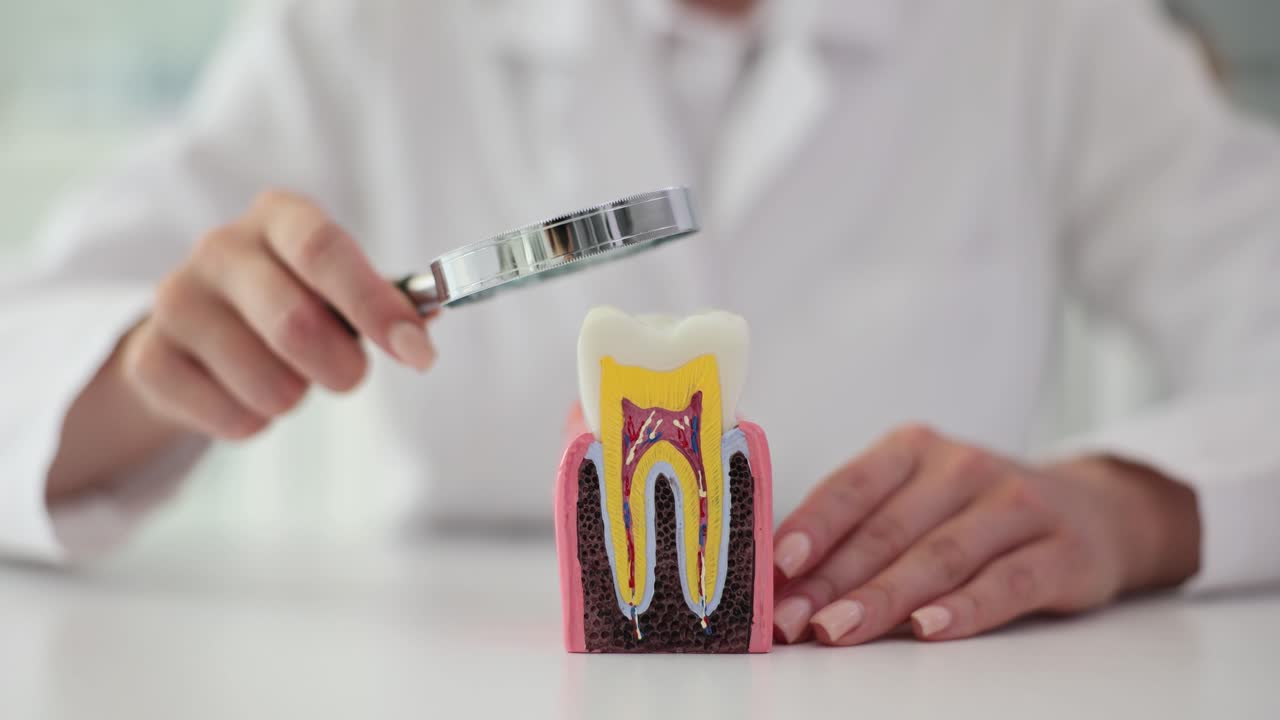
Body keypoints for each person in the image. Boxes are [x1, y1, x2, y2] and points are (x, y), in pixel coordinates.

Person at [2, 0, 1278, 647]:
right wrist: (148, 371)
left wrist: (1131, 508)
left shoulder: (1052, 28)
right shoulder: (360, 24)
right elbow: (25, 356)